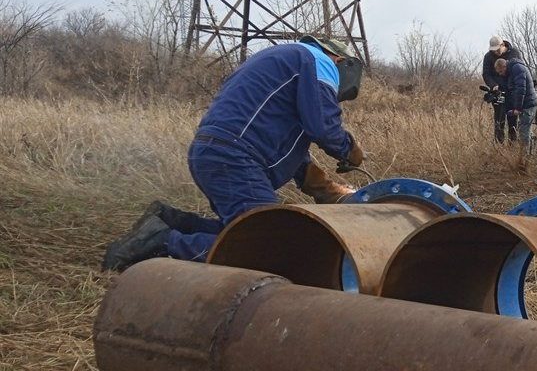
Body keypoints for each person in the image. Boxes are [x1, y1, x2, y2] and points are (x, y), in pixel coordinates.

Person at [101, 36, 367, 271]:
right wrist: (349, 149)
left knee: (245, 230)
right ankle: (162, 243)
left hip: (215, 151)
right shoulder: (319, 61)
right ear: (340, 60)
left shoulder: (283, 61)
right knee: (267, 247)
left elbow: (291, 147)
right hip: (236, 158)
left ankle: (172, 223)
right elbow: (322, 125)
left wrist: (323, 188)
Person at [494, 55, 537, 157]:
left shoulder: (517, 68)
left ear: (504, 66)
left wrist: (517, 109)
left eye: (501, 72)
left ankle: (524, 158)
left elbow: (520, 90)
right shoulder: (509, 73)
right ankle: (532, 150)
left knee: (524, 130)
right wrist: (499, 88)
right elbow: (510, 90)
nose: (501, 74)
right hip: (524, 104)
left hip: (529, 103)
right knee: (524, 127)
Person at [481, 35, 522, 143]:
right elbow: (486, 74)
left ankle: (512, 144)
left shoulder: (514, 53)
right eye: (493, 50)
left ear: (503, 45)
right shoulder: (488, 57)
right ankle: (498, 145)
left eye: (497, 49)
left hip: (512, 92)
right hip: (497, 92)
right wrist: (493, 85)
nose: (496, 52)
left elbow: (520, 71)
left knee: (513, 120)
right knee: (499, 120)